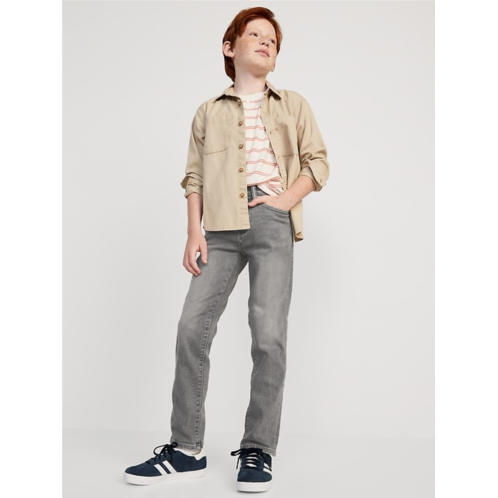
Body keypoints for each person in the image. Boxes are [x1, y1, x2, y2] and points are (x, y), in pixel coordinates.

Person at [124, 6, 329, 493]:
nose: (265, 42)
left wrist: (282, 202)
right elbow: (194, 176)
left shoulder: (293, 104)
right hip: (218, 228)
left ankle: (258, 449)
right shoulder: (208, 112)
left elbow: (318, 163)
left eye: (272, 39)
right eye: (255, 34)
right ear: (229, 47)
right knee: (191, 328)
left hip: (272, 221)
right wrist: (193, 233)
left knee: (268, 335)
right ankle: (186, 448)